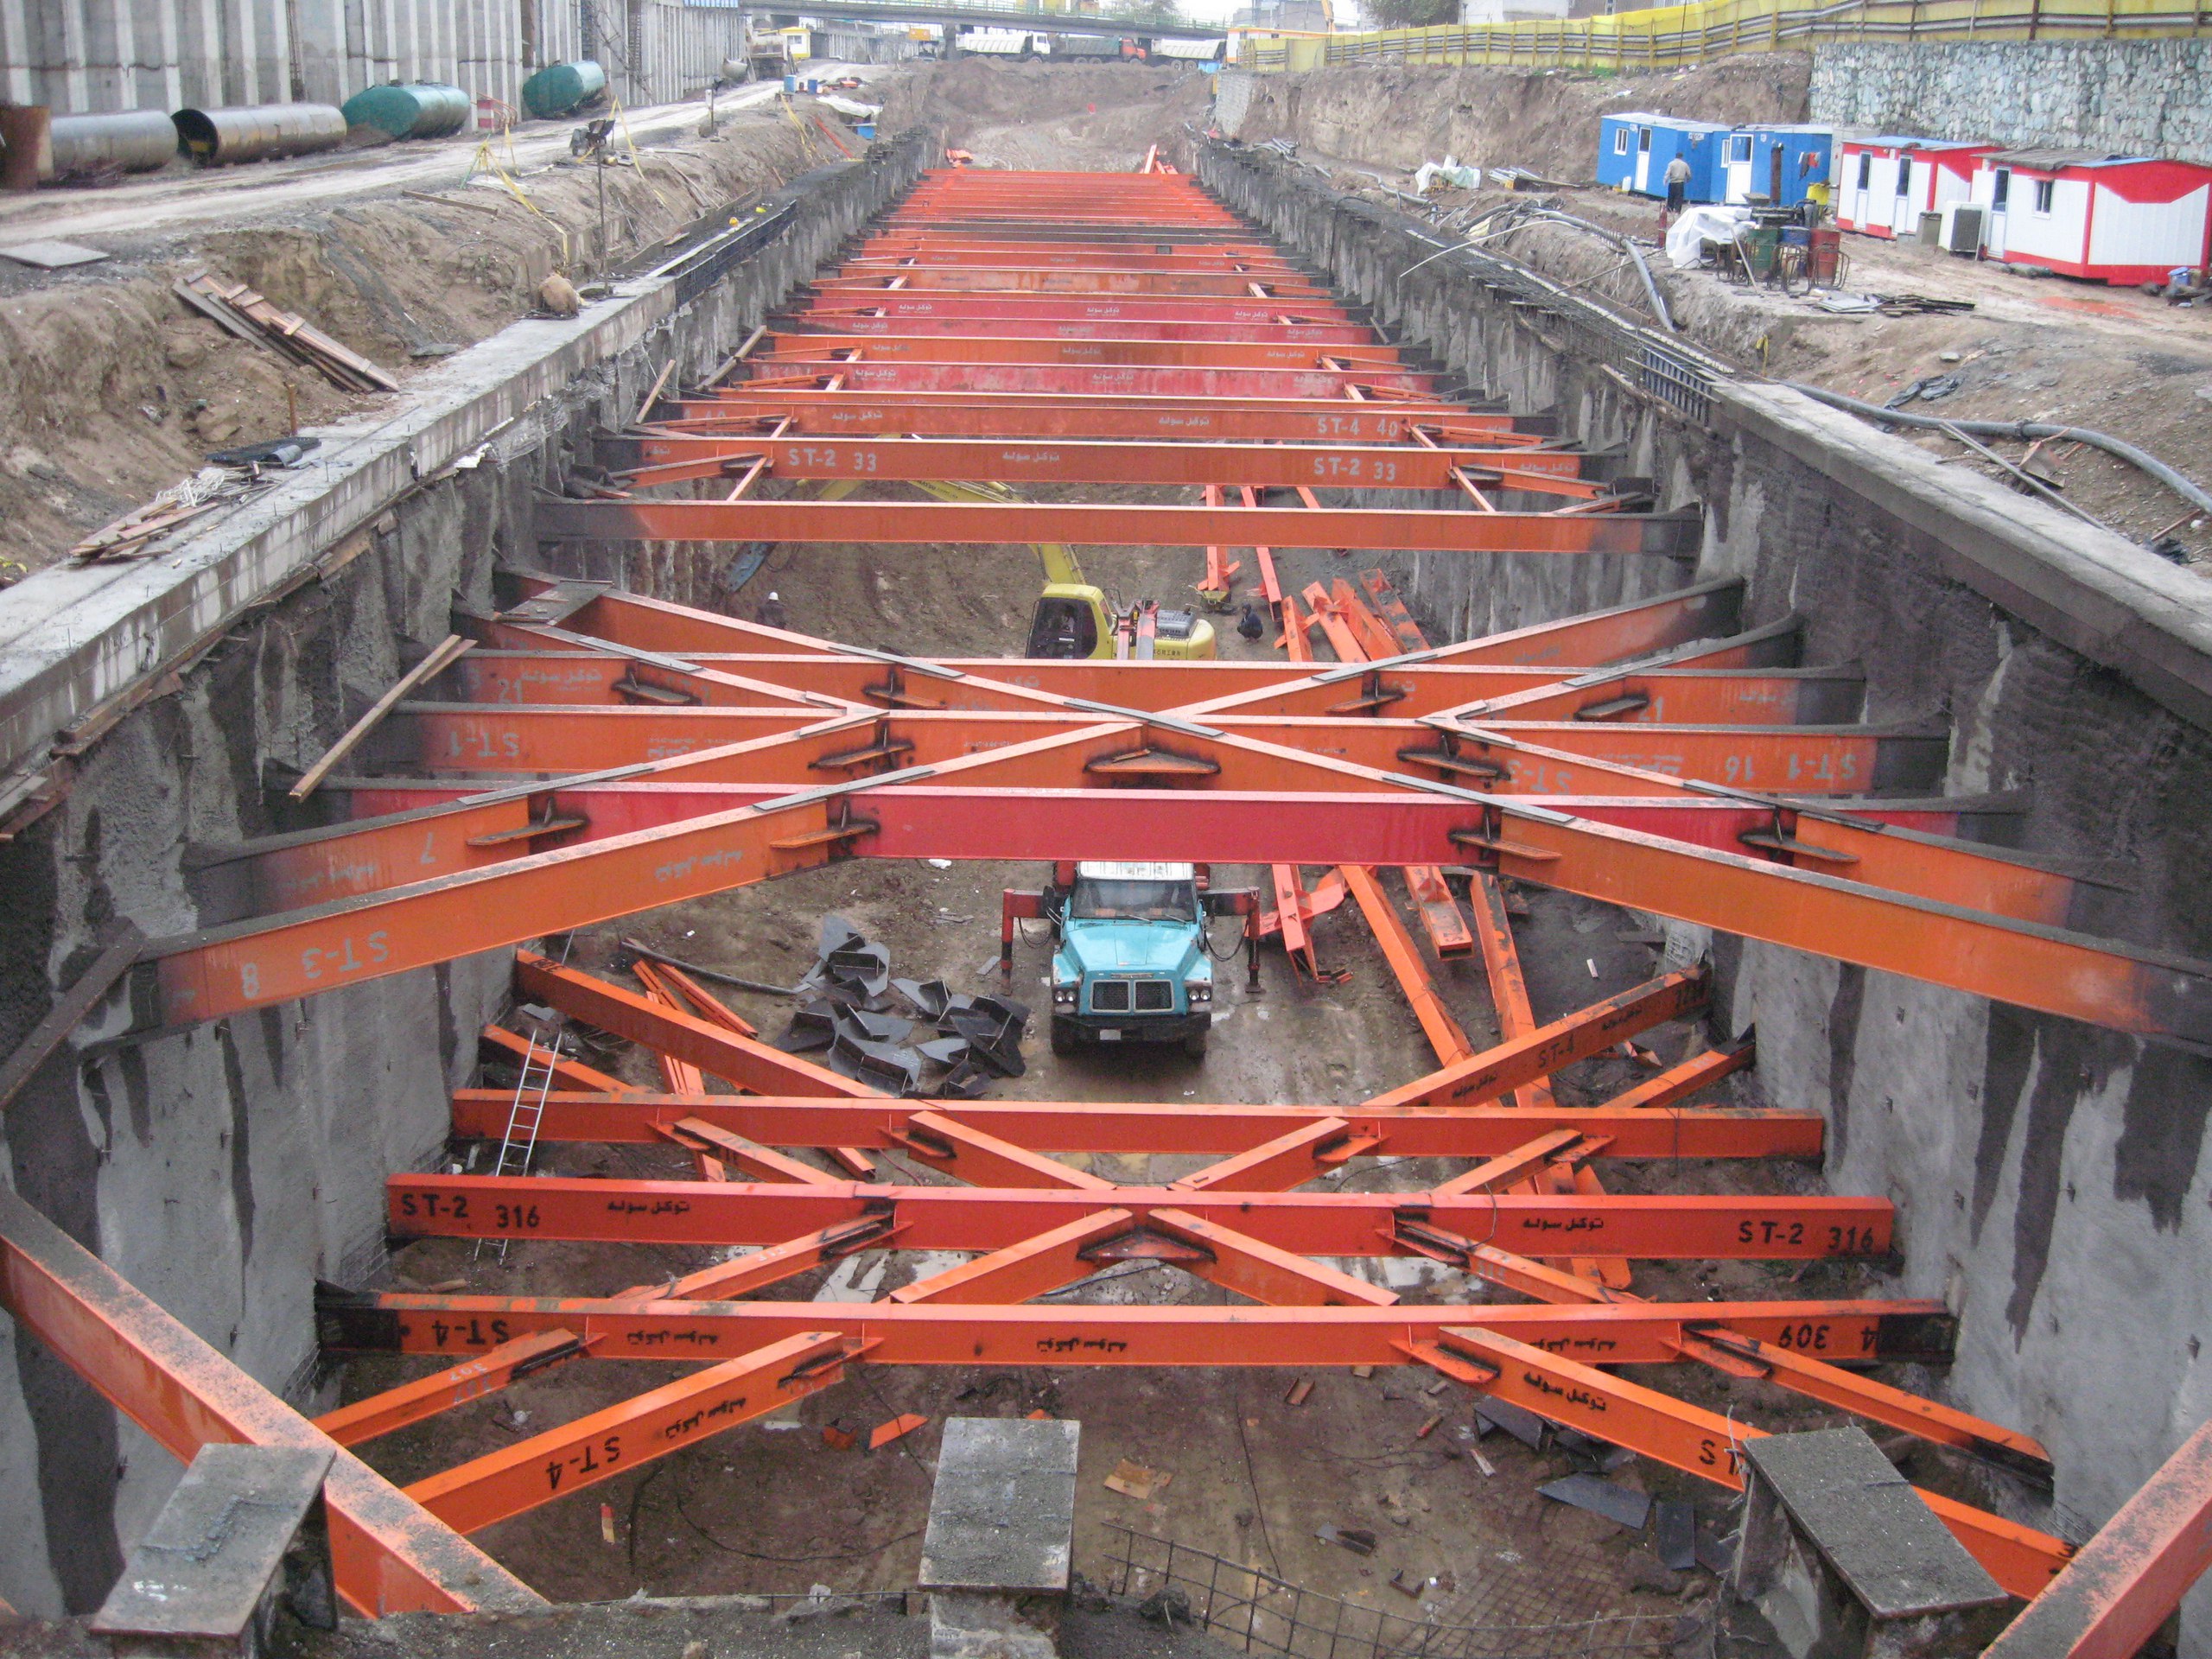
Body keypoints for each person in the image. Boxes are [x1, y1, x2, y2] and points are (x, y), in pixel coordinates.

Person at [1662, 153, 1693, 231]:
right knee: (1679, 198)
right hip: (1680, 183)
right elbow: (1689, 174)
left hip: (1672, 183)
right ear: (1681, 157)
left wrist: (1665, 180)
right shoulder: (1685, 164)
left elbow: (1668, 173)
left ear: (1675, 157)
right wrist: (1688, 179)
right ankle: (1677, 212)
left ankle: (1670, 211)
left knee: (1671, 197)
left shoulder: (1671, 164)